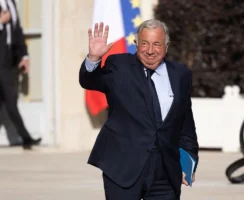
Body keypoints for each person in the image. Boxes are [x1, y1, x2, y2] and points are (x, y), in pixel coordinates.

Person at [79, 19, 199, 200]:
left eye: (156, 44)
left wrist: (189, 160)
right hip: (123, 167)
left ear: (167, 46)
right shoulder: (119, 66)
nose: (150, 50)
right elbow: (90, 81)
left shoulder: (180, 74)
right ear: (136, 44)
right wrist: (94, 58)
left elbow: (185, 122)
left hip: (166, 172)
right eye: (144, 44)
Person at [0, 0, 41, 149]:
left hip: (10, 59)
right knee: (11, 98)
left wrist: (24, 56)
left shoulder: (11, 2)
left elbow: (17, 30)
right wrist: (0, 21)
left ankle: (26, 138)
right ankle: (26, 137)